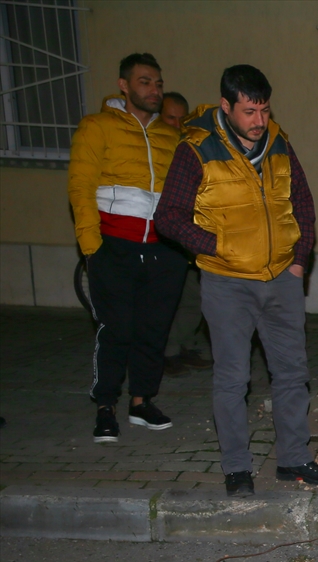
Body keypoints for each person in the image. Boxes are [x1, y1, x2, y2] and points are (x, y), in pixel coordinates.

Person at [155, 64, 318, 497]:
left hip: (281, 278)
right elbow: (168, 217)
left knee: (292, 373)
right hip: (227, 284)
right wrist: (215, 246)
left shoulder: (278, 143)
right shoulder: (196, 148)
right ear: (226, 106)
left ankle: (293, 459)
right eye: (249, 112)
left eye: (264, 110)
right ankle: (237, 468)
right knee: (233, 379)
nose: (259, 121)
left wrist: (299, 261)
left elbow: (303, 203)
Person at [68, 52, 188, 443]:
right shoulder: (97, 127)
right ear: (124, 85)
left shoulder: (171, 136)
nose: (153, 89)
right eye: (144, 81)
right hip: (112, 247)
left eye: (157, 82)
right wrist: (92, 246)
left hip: (164, 251)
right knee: (117, 330)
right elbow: (81, 188)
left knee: (153, 331)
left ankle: (141, 402)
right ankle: (106, 407)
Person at [157, 91, 213, 375]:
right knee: (170, 298)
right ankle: (166, 352)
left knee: (194, 297)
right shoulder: (156, 147)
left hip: (190, 234)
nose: (177, 126)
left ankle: (180, 346)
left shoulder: (190, 145)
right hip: (165, 234)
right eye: (170, 118)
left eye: (182, 119)